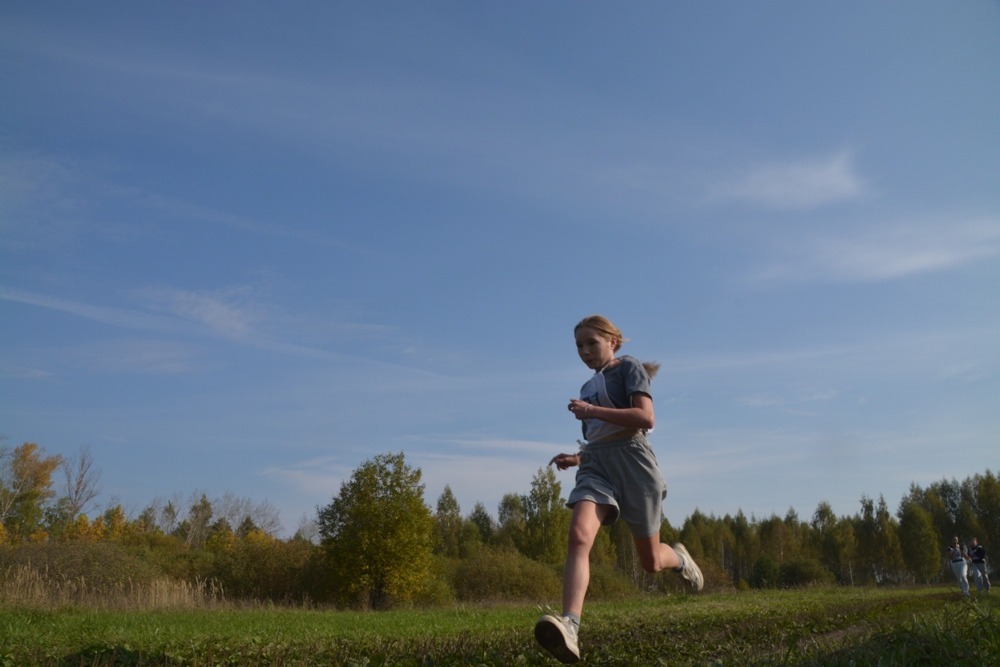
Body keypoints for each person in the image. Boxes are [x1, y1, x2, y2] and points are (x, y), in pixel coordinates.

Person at [534, 315, 703, 664]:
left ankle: (679, 559)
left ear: (612, 342)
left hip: (634, 464)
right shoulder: (586, 387)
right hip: (596, 466)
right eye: (578, 346)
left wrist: (591, 410)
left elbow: (645, 418)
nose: (584, 351)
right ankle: (570, 626)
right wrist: (577, 458)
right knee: (579, 536)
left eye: (591, 343)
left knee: (651, 562)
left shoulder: (629, 368)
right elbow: (599, 438)